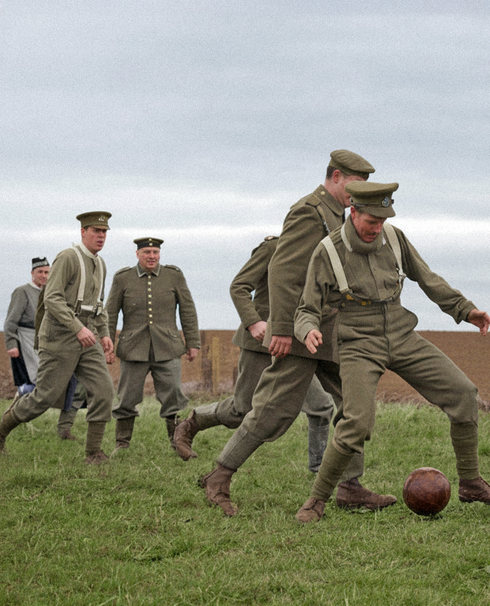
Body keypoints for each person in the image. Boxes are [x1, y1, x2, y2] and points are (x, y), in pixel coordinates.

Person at [294, 180, 490, 524]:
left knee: (464, 393)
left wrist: (464, 310)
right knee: (356, 422)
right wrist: (308, 330)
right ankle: (316, 501)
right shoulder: (328, 251)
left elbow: (427, 278)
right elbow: (307, 307)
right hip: (359, 342)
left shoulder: (394, 238)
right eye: (370, 222)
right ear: (353, 212)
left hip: (401, 333)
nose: (376, 229)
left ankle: (471, 483)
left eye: (382, 221)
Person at [198, 150, 392, 517]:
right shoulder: (309, 211)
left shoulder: (343, 215)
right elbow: (284, 272)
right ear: (335, 177)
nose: (359, 192)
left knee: (353, 404)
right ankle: (218, 477)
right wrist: (284, 329)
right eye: (355, 184)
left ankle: (350, 486)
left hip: (335, 330)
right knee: (273, 409)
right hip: (304, 330)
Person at [173, 235, 336, 472]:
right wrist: (253, 322)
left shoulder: (325, 252)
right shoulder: (274, 247)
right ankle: (193, 422)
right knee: (242, 410)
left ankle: (318, 470)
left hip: (297, 346)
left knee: (321, 407)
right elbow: (239, 286)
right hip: (262, 343)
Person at [0, 212, 116, 463]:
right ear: (83, 232)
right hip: (60, 339)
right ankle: (1, 431)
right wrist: (77, 328)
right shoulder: (67, 257)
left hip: (88, 338)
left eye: (104, 232)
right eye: (96, 231)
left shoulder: (101, 264)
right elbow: (52, 298)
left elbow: (98, 305)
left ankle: (93, 453)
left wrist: (104, 334)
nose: (101, 236)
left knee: (104, 391)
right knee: (43, 399)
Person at [105, 237, 200, 452]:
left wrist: (192, 342)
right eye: (147, 252)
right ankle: (122, 444)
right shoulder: (123, 278)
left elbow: (187, 310)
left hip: (167, 348)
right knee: (127, 398)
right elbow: (110, 313)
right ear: (137, 254)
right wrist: (108, 343)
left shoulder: (173, 276)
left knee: (174, 397)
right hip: (133, 349)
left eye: (155, 252)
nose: (151, 256)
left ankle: (178, 444)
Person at [5, 257, 83, 439]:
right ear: (32, 273)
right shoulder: (22, 292)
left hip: (52, 339)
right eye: (40, 272)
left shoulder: (55, 292)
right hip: (27, 339)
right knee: (40, 383)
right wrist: (11, 344)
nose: (44, 275)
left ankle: (64, 430)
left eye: (47, 272)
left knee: (70, 380)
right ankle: (20, 398)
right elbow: (10, 322)